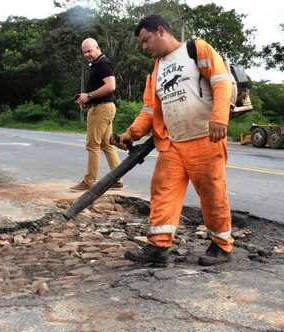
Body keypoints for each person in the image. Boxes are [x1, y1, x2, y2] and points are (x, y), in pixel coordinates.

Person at [115, 15, 235, 266]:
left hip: (205, 137)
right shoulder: (156, 70)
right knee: (163, 192)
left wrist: (219, 118)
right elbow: (149, 110)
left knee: (212, 194)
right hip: (172, 143)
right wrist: (131, 133)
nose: (144, 47)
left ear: (160, 31)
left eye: (146, 40)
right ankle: (158, 248)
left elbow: (221, 83)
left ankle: (221, 245)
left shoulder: (196, 49)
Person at [71, 38, 123, 192]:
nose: (87, 54)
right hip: (103, 106)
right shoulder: (96, 64)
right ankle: (118, 179)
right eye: (85, 52)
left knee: (92, 145)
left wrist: (90, 96)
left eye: (90, 50)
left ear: (97, 48)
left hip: (102, 108)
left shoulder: (103, 63)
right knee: (107, 145)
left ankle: (89, 181)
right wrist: (86, 98)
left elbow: (111, 86)